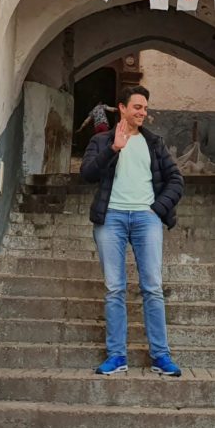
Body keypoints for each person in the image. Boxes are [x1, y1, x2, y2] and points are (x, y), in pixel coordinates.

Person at [80, 85, 184, 377]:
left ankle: (161, 357)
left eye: (145, 108)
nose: (143, 112)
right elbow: (87, 175)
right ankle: (116, 356)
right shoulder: (101, 141)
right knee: (114, 288)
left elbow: (176, 180)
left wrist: (156, 208)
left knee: (152, 287)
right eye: (137, 107)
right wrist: (114, 148)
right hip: (110, 218)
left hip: (145, 218)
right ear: (122, 108)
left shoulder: (154, 143)